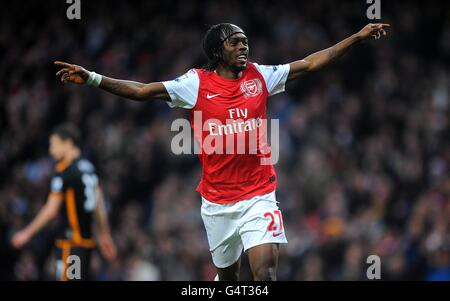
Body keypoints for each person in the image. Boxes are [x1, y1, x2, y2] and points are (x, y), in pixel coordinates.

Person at [53, 22, 389, 280]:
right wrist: (94, 78)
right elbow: (143, 90)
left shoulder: (260, 76)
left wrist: (356, 38)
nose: (244, 46)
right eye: (236, 42)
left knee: (265, 272)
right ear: (218, 50)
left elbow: (310, 63)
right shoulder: (195, 83)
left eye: (245, 41)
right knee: (229, 277)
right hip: (217, 203)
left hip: (260, 194)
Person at [11, 124, 117, 281]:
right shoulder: (88, 168)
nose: (51, 150)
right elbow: (98, 202)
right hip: (86, 244)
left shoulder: (64, 171)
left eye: (54, 144)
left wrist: (27, 233)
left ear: (68, 143)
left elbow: (51, 209)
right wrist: (104, 234)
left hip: (71, 242)